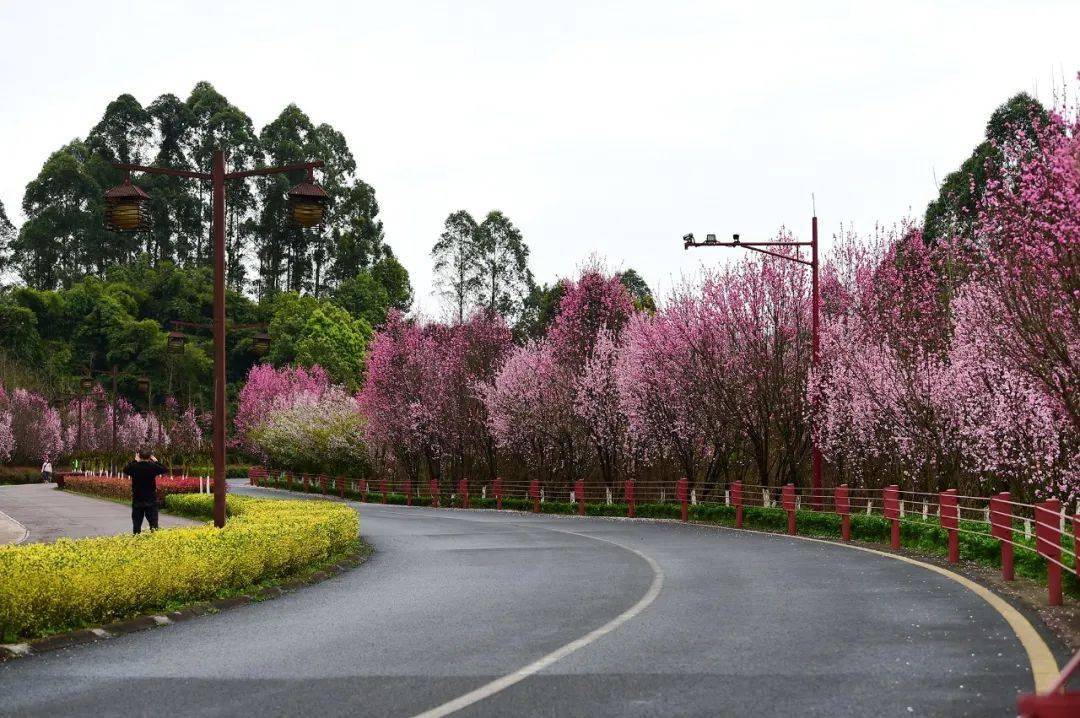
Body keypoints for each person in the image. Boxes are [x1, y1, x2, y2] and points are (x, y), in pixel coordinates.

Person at [123, 448, 167, 535]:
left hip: (137, 499)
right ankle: (154, 541)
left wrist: (135, 460)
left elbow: (125, 470)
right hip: (151, 499)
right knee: (154, 524)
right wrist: (155, 460)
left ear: (139, 456)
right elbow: (164, 469)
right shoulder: (152, 466)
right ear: (150, 456)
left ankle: (136, 541)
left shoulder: (134, 467)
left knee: (137, 525)